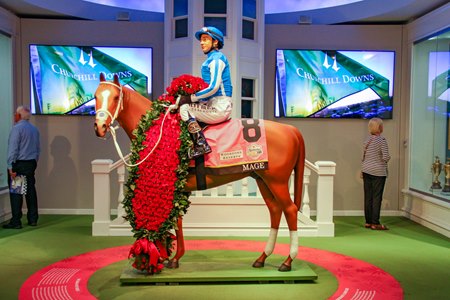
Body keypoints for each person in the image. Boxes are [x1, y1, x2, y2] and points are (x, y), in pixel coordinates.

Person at [178, 26, 233, 158]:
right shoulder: (211, 59)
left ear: (215, 42)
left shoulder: (216, 59)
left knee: (185, 109)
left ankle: (201, 145)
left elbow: (214, 87)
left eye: (205, 39)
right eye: (201, 40)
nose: (201, 43)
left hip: (220, 106)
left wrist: (190, 98)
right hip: (213, 103)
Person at [3, 106, 40, 229]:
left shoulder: (16, 129)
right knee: (30, 191)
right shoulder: (34, 129)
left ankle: (16, 221)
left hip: (19, 164)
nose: (14, 116)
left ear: (19, 116)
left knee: (17, 193)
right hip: (30, 164)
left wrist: (10, 166)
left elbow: (13, 149)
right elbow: (37, 149)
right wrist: (34, 162)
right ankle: (33, 219)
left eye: (15, 114)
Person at [361, 117, 390, 230]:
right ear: (380, 128)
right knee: (377, 197)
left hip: (366, 170)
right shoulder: (381, 140)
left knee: (368, 197)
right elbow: (386, 157)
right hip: (378, 172)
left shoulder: (367, 140)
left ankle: (368, 221)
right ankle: (375, 222)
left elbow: (364, 156)